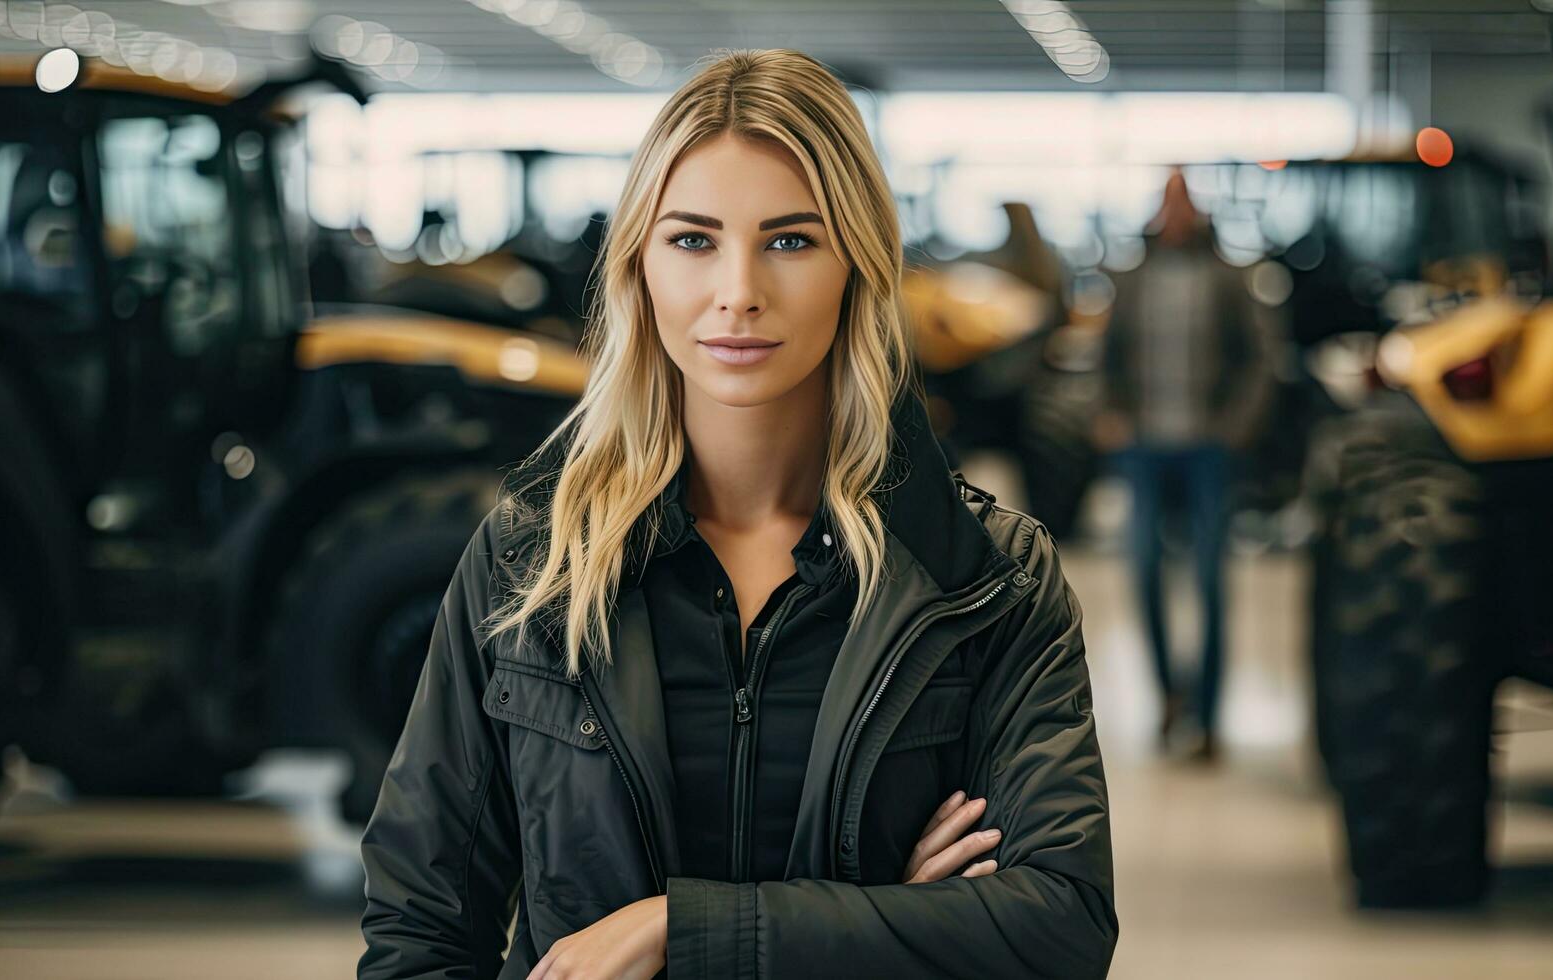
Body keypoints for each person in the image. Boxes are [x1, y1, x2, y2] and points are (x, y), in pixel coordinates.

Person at [359, 50, 1117, 980]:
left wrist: (685, 930)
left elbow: (1060, 927)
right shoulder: (531, 561)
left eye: (791, 240)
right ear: (639, 263)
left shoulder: (985, 580)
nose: (739, 291)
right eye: (692, 240)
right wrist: (895, 924)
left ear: (858, 264)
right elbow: (420, 932)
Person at [1094, 169, 1273, 764]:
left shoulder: (1227, 279)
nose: (1175, 214)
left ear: (1196, 212)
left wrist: (1235, 429)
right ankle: (1168, 698)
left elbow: (1258, 360)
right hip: (1145, 449)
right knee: (1144, 571)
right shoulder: (1132, 279)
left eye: (1184, 202)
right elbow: (1107, 356)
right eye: (1167, 202)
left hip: (1208, 451)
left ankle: (1208, 716)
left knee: (1210, 583)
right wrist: (1113, 414)